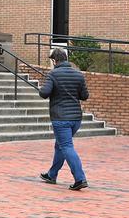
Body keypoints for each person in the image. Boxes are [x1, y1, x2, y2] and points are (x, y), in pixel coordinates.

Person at [38, 47, 90, 190]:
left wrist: (44, 88)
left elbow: (44, 93)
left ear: (55, 60)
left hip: (61, 118)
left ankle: (80, 179)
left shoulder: (53, 74)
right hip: (76, 119)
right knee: (60, 145)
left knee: (66, 146)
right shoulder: (78, 75)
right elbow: (85, 96)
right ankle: (52, 174)